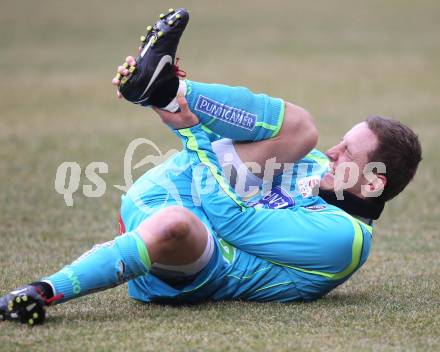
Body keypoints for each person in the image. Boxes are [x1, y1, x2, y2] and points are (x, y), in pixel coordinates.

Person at [0, 8, 421, 325]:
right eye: (342, 143)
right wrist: (188, 115)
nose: (332, 153)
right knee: (301, 129)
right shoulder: (315, 165)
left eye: (349, 152)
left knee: (175, 223)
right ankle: (167, 86)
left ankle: (42, 291)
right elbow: (231, 150)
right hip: (182, 192)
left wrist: (190, 132)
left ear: (373, 182)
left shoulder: (345, 239)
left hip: (189, 256)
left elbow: (231, 222)